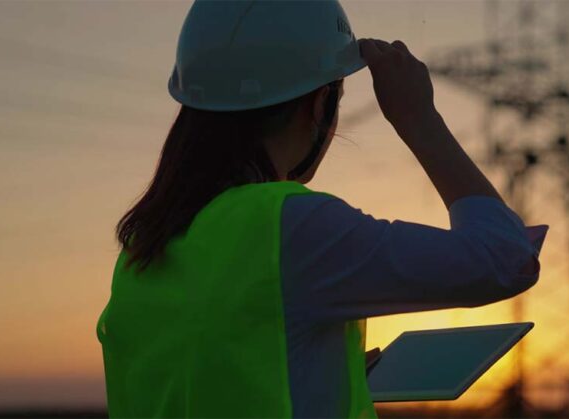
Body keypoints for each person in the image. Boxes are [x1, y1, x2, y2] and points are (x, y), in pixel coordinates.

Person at [95, 1, 545, 418]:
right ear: (318, 102)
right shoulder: (289, 225)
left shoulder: (142, 249)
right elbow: (504, 259)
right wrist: (419, 120)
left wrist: (319, 370)